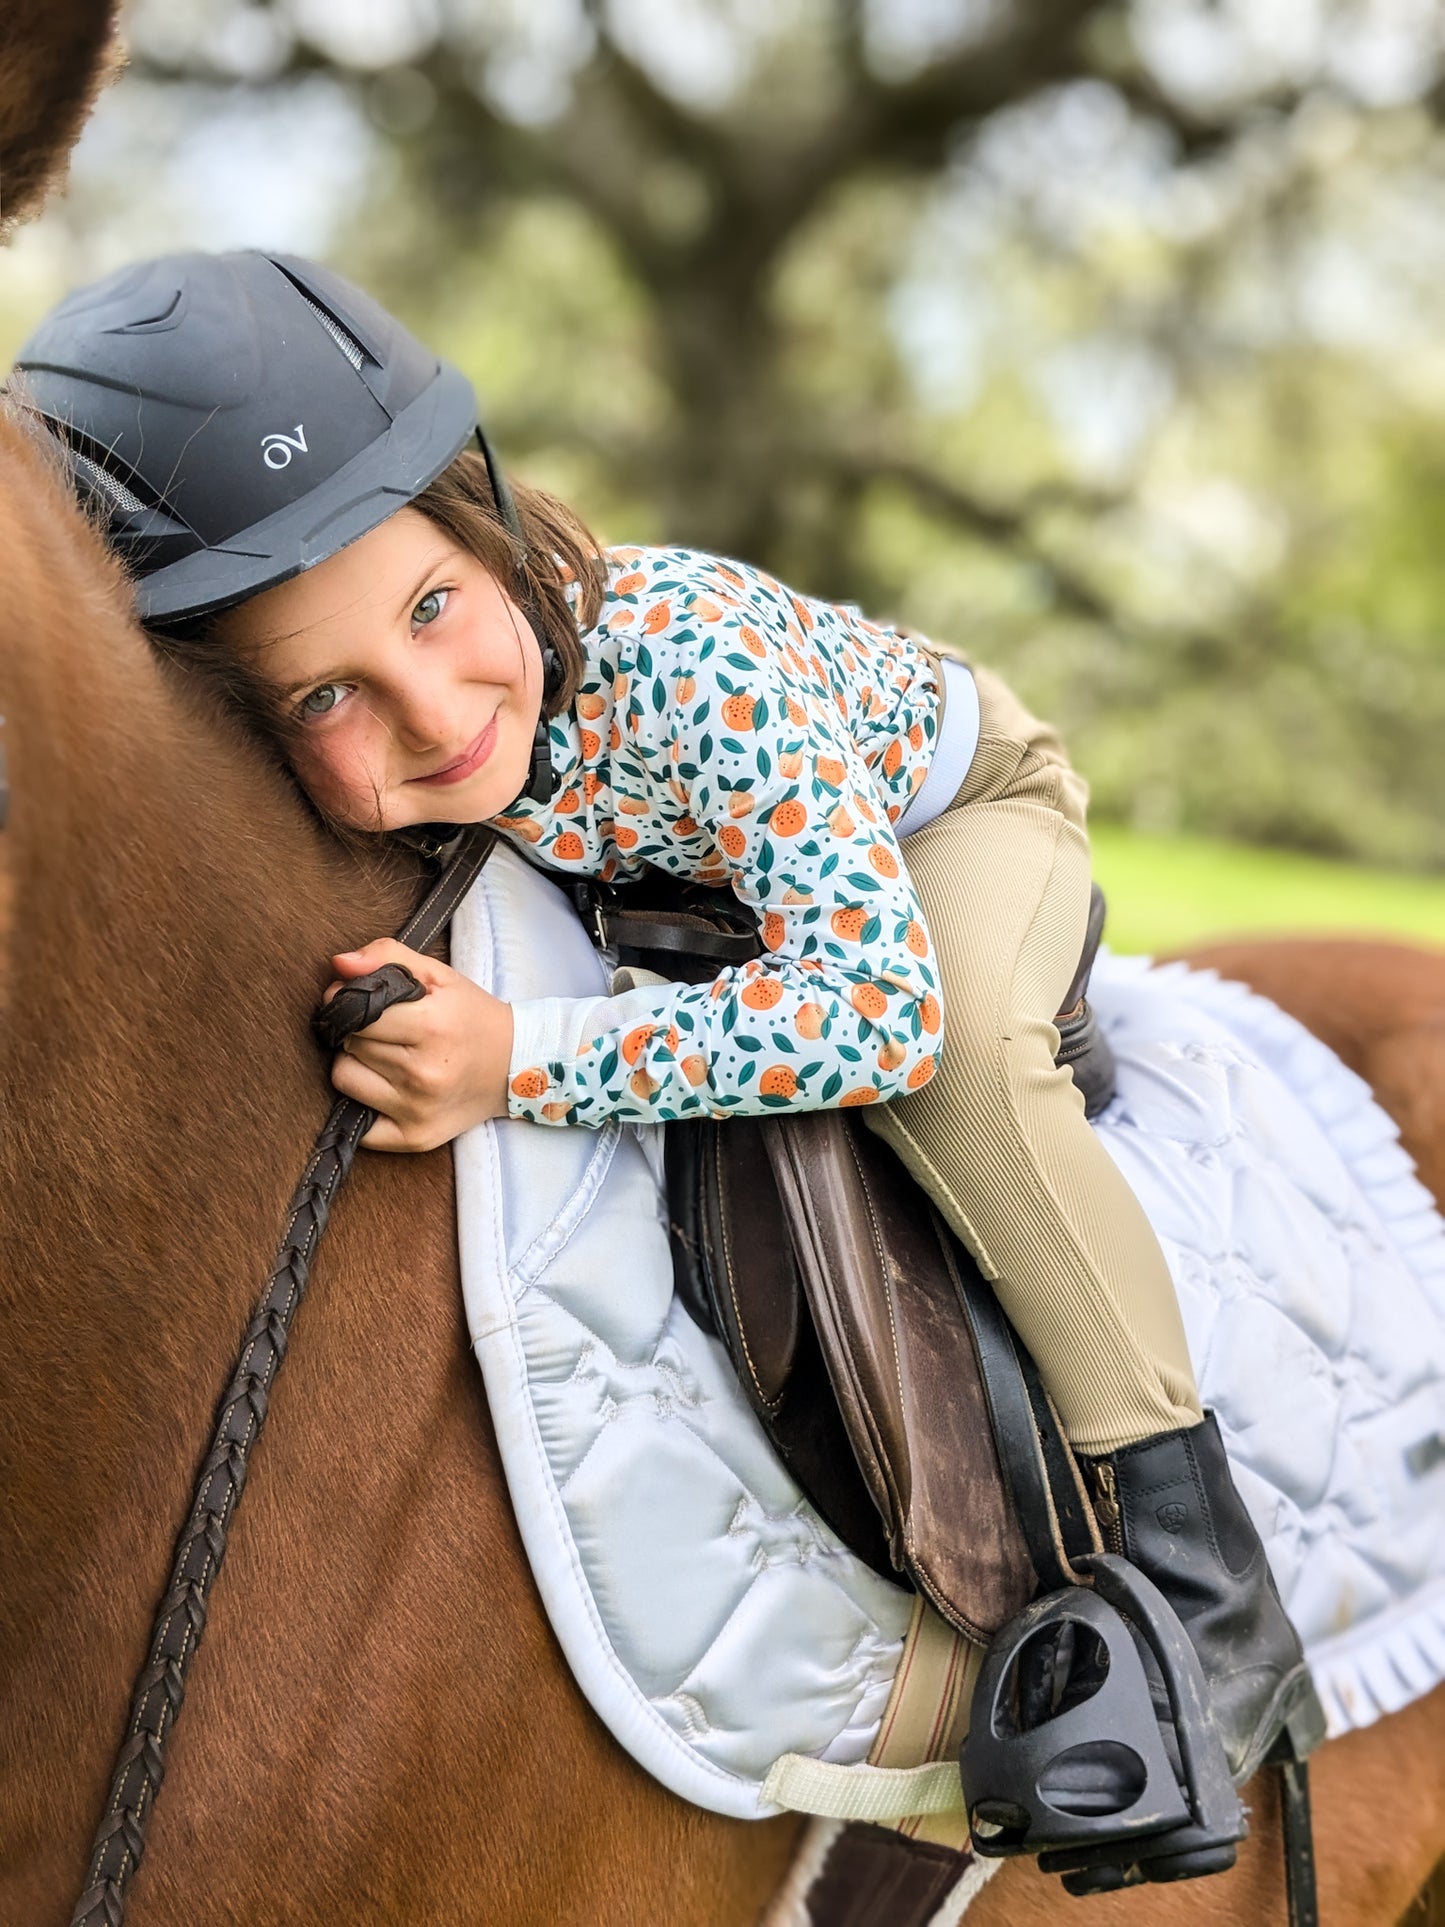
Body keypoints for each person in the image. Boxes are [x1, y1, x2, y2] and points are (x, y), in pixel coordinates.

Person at [14, 249, 1318, 1791]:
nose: (432, 714)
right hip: (694, 880)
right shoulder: (460, 728)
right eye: (324, 698)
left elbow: (872, 1012)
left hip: (943, 811)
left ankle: (1200, 1572)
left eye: (432, 607)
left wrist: (522, 1060)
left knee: (963, 1068)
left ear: (482, 524)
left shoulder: (697, 666)